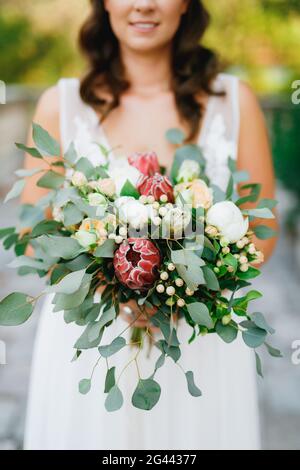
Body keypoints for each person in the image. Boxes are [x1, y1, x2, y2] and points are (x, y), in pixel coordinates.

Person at [22, 0, 278, 450]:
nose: (143, 4)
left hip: (202, 343)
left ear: (186, 4)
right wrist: (112, 291)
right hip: (93, 344)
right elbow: (32, 237)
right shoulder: (60, 105)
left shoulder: (235, 104)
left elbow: (264, 231)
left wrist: (186, 292)